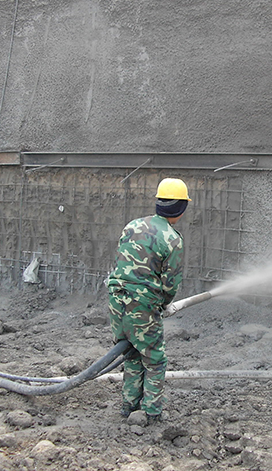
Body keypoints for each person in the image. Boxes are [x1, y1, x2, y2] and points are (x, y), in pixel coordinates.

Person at [107, 177, 191, 425]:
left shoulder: (132, 226)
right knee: (154, 359)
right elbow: (170, 283)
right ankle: (152, 413)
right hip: (142, 304)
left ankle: (128, 406)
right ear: (181, 208)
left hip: (116, 297)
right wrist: (164, 304)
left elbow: (123, 263)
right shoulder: (173, 239)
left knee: (131, 354)